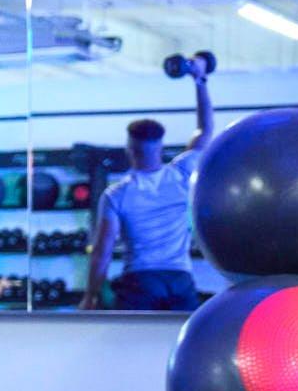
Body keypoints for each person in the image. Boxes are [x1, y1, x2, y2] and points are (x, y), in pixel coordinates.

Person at [84, 72, 216, 311]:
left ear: (129, 149)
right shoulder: (182, 175)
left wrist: (91, 296)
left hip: (140, 280)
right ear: (161, 147)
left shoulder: (116, 194)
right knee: (180, 346)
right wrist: (200, 80)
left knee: (132, 347)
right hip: (180, 280)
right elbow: (205, 130)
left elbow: (102, 252)